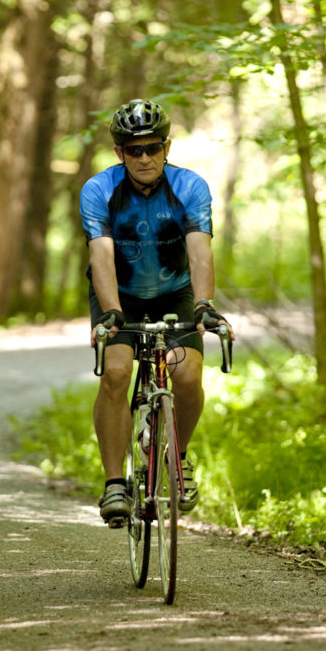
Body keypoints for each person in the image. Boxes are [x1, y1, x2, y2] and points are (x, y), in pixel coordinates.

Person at [79, 98, 233, 527]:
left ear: (167, 148)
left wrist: (204, 305)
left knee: (186, 375)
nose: (144, 157)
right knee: (115, 371)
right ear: (119, 154)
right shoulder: (99, 190)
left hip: (175, 293)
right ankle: (114, 483)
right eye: (133, 150)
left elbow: (200, 251)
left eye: (152, 148)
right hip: (119, 295)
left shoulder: (190, 187)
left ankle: (178, 456)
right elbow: (101, 255)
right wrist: (111, 313)